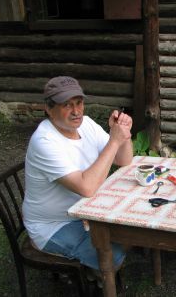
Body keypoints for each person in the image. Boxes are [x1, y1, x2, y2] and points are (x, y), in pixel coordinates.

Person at [22, 76, 133, 284]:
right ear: (48, 108)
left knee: (133, 232)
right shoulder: (44, 141)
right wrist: (114, 140)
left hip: (85, 211)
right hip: (53, 225)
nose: (76, 111)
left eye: (79, 103)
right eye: (67, 105)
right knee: (113, 256)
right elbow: (87, 187)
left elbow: (124, 159)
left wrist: (123, 135)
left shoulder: (86, 124)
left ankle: (92, 273)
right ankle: (94, 275)